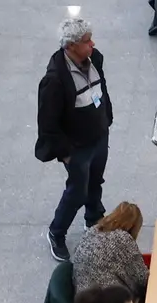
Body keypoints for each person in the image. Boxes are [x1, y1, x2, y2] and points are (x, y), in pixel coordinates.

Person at [37, 17, 115, 260]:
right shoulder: (55, 81)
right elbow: (47, 123)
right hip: (77, 147)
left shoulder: (94, 59)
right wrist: (66, 154)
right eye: (86, 41)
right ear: (71, 46)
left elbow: (101, 90)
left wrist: (106, 120)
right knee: (77, 192)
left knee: (96, 181)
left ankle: (93, 218)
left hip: (99, 136)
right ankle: (56, 232)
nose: (93, 44)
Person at [71, 203, 148, 301]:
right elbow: (142, 279)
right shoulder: (123, 239)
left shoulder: (93, 230)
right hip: (107, 302)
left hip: (82, 298)